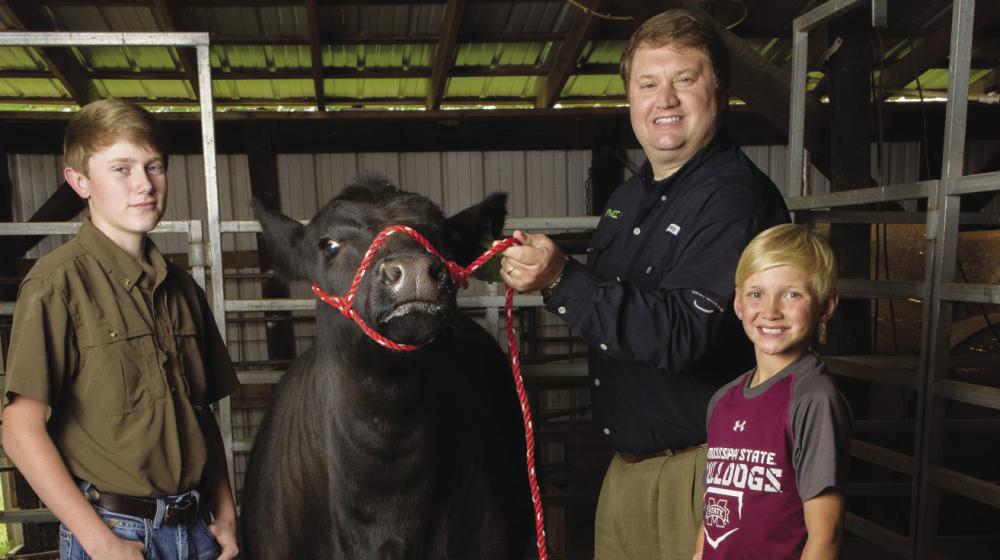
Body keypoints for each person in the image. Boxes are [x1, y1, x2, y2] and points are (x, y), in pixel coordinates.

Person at [500, 8, 789, 560]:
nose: (666, 100)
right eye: (648, 83)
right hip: (629, 471)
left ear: (719, 92)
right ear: (631, 98)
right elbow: (616, 310)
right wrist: (553, 274)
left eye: (685, 79)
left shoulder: (733, 199)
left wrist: (561, 277)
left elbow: (684, 335)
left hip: (706, 471)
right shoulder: (628, 200)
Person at [2, 99, 240, 560]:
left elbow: (201, 415)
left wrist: (226, 513)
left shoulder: (184, 289)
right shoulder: (56, 284)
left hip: (197, 528)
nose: (144, 185)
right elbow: (19, 429)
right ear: (80, 181)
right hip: (118, 534)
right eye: (121, 168)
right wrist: (100, 542)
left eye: (154, 166)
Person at [695, 224, 851, 559]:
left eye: (792, 294)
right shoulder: (723, 400)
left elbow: (827, 535)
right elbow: (713, 512)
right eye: (756, 294)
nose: (770, 311)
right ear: (738, 303)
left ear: (826, 306)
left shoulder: (813, 398)